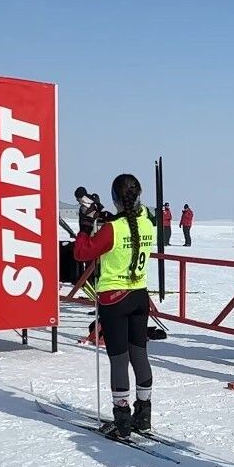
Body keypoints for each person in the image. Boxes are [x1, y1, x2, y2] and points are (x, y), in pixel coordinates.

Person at [73, 173, 157, 437]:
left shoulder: (112, 229)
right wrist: (107, 215)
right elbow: (129, 223)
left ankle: (121, 421)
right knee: (139, 355)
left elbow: (81, 252)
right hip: (139, 296)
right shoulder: (147, 221)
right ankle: (143, 415)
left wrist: (86, 225)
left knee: (119, 360)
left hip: (114, 299)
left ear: (115, 199)